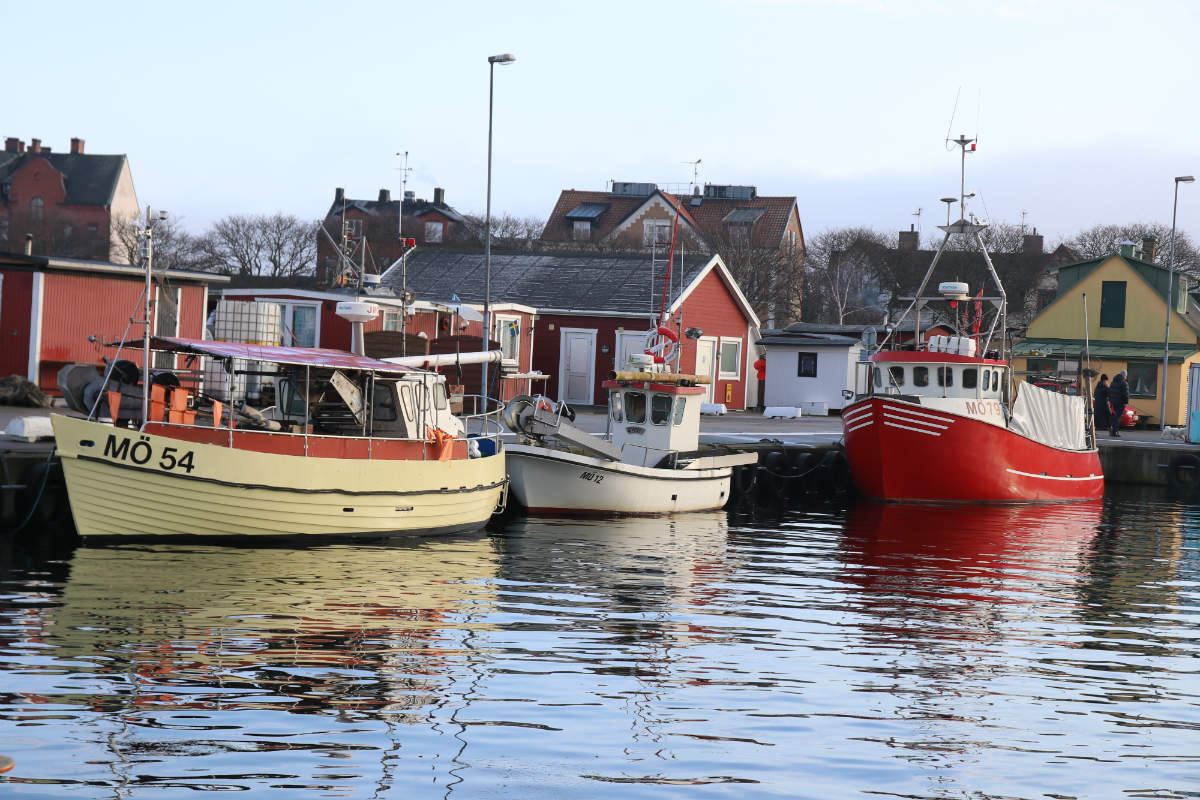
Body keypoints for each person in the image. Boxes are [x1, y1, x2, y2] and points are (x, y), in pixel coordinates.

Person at [1109, 369, 1130, 436]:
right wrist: (1126, 402)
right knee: (1118, 417)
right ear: (1124, 376)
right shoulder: (1124, 383)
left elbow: (1110, 392)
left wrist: (1111, 400)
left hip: (1113, 402)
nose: (1126, 377)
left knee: (1114, 416)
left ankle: (1113, 431)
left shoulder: (1113, 382)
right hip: (1120, 403)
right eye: (1126, 376)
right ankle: (1115, 431)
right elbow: (1125, 394)